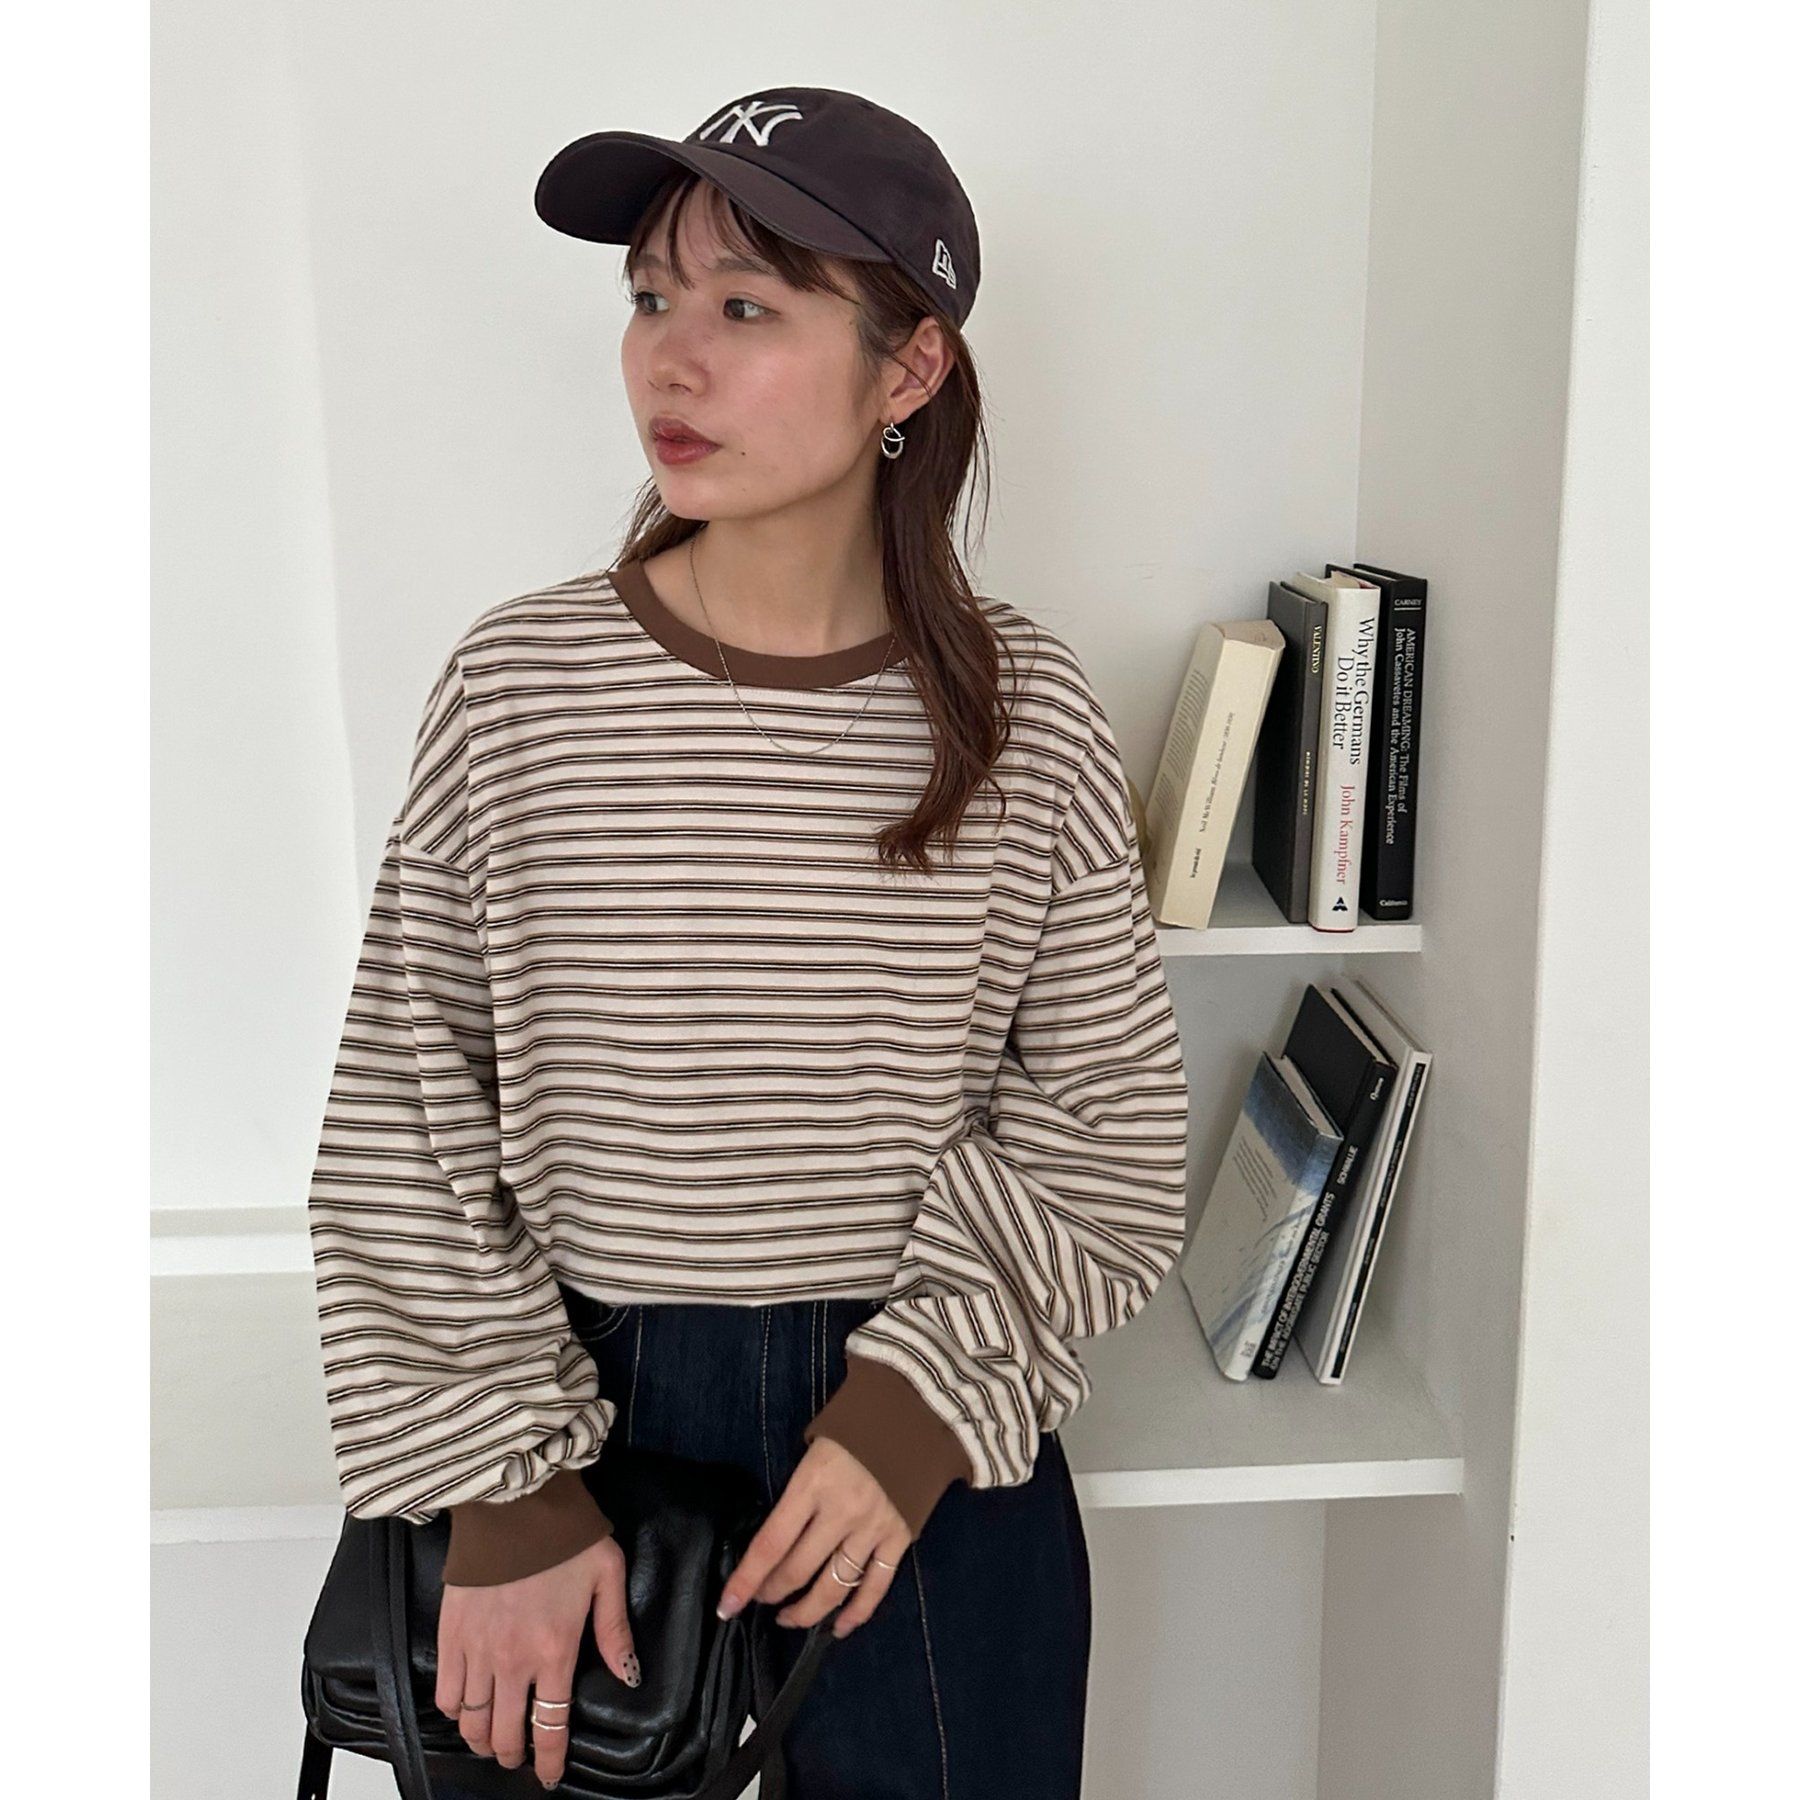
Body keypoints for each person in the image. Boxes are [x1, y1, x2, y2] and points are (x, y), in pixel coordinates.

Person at [305, 84, 1190, 1798]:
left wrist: (912, 1417)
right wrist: (506, 1491)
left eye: (746, 307)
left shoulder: (1023, 711)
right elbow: (407, 1107)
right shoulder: (522, 686)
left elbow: (1106, 1131)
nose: (671, 360)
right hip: (574, 1410)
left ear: (909, 369)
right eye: (650, 298)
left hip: (921, 1415)